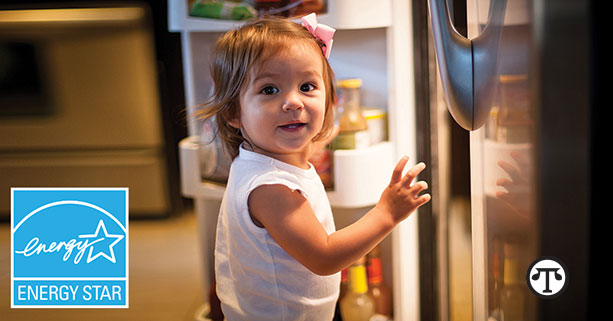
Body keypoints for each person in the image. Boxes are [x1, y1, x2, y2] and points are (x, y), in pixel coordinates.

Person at [197, 13, 431, 320]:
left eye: (307, 86)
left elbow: (296, 154)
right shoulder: (271, 190)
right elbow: (325, 256)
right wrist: (386, 213)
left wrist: (316, 142)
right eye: (269, 90)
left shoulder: (267, 158)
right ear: (233, 113)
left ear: (331, 99)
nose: (293, 102)